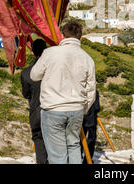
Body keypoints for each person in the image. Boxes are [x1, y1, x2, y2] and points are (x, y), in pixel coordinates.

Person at [30, 21, 96, 164]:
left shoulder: (50, 53)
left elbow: (34, 75)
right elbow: (91, 90)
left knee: (57, 155)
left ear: (62, 36)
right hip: (76, 109)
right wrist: (83, 110)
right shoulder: (87, 58)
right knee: (73, 146)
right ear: (81, 38)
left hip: (53, 109)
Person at [20, 38, 48, 164]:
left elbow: (26, 94)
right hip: (56, 110)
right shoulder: (54, 69)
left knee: (38, 139)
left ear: (32, 52)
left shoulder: (26, 73)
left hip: (36, 111)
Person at [81, 90, 100, 163]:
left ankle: (78, 156)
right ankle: (87, 160)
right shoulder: (95, 92)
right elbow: (97, 107)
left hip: (81, 119)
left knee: (80, 139)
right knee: (92, 139)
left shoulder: (81, 91)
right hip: (91, 120)